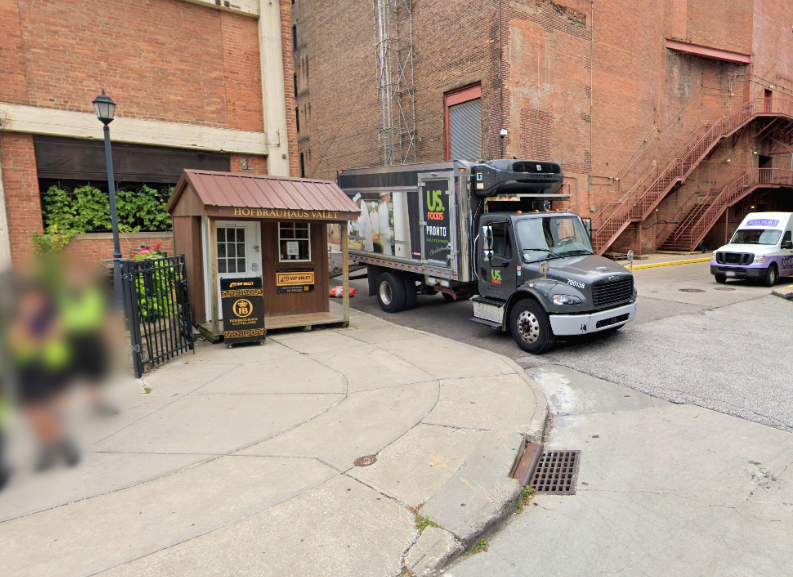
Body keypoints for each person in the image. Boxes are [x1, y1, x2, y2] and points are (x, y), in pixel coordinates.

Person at [7, 280, 79, 471]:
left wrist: (31, 341)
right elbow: (15, 343)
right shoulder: (20, 319)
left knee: (43, 410)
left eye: (34, 297)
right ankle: (49, 446)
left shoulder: (52, 317)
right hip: (25, 368)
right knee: (32, 411)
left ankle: (61, 444)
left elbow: (53, 337)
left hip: (47, 367)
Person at [58, 265, 117, 417]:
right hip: (69, 339)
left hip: (91, 337)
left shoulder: (94, 296)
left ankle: (97, 404)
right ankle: (59, 410)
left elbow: (104, 318)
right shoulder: (60, 297)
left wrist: (108, 339)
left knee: (93, 373)